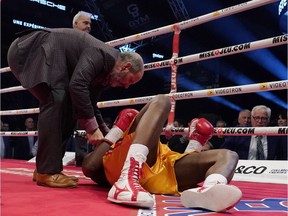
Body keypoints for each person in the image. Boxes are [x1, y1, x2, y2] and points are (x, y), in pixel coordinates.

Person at [7, 28, 144, 188]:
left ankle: (46, 169)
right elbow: (77, 85)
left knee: (70, 107)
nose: (127, 86)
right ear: (125, 67)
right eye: (131, 81)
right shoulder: (103, 55)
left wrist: (108, 138)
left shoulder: (106, 73)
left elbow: (90, 105)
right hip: (30, 49)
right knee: (57, 99)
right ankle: (47, 172)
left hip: (42, 52)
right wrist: (92, 130)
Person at [82, 95, 242, 212]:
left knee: (229, 156)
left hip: (163, 164)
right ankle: (127, 180)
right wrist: (117, 131)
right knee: (162, 100)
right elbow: (89, 167)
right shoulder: (115, 151)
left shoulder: (147, 139)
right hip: (131, 165)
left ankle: (208, 192)